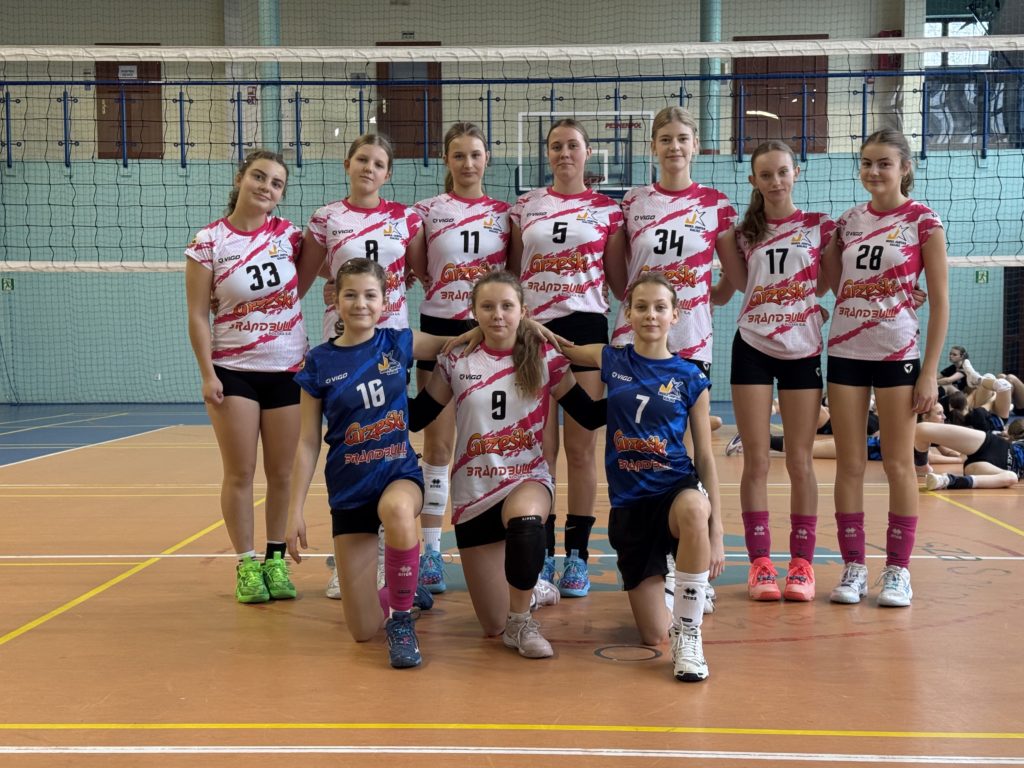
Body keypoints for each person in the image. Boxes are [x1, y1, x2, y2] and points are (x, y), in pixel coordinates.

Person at [410, 270, 605, 658]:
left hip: (526, 479)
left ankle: (522, 622)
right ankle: (528, 593)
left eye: (506, 306)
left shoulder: (545, 357)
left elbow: (587, 414)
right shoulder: (456, 359)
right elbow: (418, 417)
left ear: (523, 311)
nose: (497, 314)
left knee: (526, 522)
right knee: (491, 624)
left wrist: (641, 387)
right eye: (487, 306)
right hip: (473, 491)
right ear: (474, 311)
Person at [560, 271, 724, 682]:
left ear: (675, 315)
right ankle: (676, 585)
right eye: (642, 307)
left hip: (674, 489)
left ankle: (690, 633)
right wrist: (520, 325)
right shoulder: (612, 359)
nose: (651, 315)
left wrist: (717, 530)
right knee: (653, 635)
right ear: (628, 315)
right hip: (630, 505)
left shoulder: (690, 377)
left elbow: (705, 456)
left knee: (694, 509)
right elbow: (561, 348)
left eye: (660, 307)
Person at [286, 259, 447, 669]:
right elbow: (307, 442)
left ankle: (401, 619)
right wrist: (294, 509)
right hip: (349, 490)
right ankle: (404, 587)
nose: (361, 304)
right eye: (351, 295)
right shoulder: (318, 362)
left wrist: (509, 324)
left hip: (398, 475)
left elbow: (455, 343)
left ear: (385, 300)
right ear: (334, 300)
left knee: (398, 509)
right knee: (361, 629)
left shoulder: (397, 342)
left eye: (370, 295)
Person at [821, 129, 949, 607]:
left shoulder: (923, 221)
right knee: (850, 464)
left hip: (898, 353)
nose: (873, 171)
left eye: (884, 163)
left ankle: (898, 570)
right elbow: (838, 284)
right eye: (866, 163)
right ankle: (854, 567)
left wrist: (929, 371)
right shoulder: (848, 222)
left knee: (898, 463)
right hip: (846, 351)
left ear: (904, 168)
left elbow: (941, 303)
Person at [299, 133, 427, 600]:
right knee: (347, 446)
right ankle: (350, 556)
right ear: (347, 164)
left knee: (386, 443)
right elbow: (305, 274)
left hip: (389, 344)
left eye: (378, 163)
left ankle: (395, 557)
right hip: (342, 344)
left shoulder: (405, 218)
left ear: (387, 173)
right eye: (362, 160)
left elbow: (421, 272)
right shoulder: (327, 218)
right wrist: (340, 289)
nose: (369, 168)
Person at [508, 118, 626, 597]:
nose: (563, 153)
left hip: (585, 328)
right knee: (540, 451)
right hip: (533, 333)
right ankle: (542, 555)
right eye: (556, 146)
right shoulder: (525, 207)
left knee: (580, 449)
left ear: (588, 152)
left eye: (572, 145)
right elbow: (512, 274)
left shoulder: (608, 211)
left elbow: (619, 280)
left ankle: (577, 556)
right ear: (547, 153)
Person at [184, 149, 307, 604]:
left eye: (276, 183)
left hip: (288, 368)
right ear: (240, 179)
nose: (266, 187)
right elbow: (198, 314)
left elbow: (320, 274)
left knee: (282, 472)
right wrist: (207, 373)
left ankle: (275, 561)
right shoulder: (209, 241)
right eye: (259, 176)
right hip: (233, 371)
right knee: (240, 472)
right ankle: (247, 565)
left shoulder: (290, 236)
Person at [717, 140, 835, 603]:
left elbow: (828, 283)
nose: (775, 181)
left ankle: (802, 565)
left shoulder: (819, 227)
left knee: (800, 461)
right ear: (753, 180)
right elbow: (733, 289)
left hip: (802, 349)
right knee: (758, 460)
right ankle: (761, 563)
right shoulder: (740, 235)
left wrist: (804, 306)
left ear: (796, 173)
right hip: (752, 346)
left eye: (783, 172)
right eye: (766, 174)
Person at [412, 122, 511, 594]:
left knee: (491, 441)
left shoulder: (505, 215)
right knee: (438, 445)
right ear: (446, 160)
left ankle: (501, 538)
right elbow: (415, 268)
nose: (467, 163)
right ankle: (431, 549)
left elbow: (511, 276)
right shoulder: (427, 212)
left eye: (475, 154)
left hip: (489, 334)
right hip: (440, 331)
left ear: (487, 158)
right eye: (458, 155)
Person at [918, 418, 1024, 490]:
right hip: (993, 445)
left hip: (1000, 470)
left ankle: (949, 481)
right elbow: (1017, 428)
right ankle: (921, 465)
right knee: (921, 429)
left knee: (1012, 478)